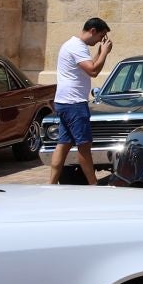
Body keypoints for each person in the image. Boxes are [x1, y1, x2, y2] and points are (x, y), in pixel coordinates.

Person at [49, 18, 113, 185]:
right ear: (92, 31)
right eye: (101, 35)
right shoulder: (77, 47)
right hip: (74, 103)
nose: (101, 39)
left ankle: (50, 184)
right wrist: (105, 52)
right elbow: (93, 71)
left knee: (63, 145)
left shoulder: (72, 45)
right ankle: (93, 184)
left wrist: (100, 52)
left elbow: (89, 64)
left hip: (64, 102)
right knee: (84, 146)